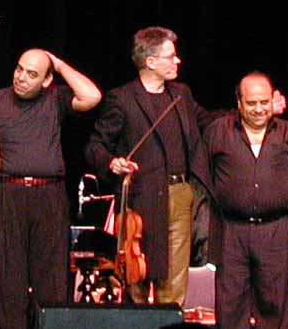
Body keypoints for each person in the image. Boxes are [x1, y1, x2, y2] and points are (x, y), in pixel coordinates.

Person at [0, 48, 101, 329]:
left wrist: (57, 63)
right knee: (6, 283)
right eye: (19, 69)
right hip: (5, 194)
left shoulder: (55, 99)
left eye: (32, 74)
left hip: (49, 196)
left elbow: (92, 96)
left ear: (47, 80)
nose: (21, 77)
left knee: (52, 281)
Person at [193, 72, 288, 329]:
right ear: (239, 103)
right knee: (230, 307)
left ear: (273, 100)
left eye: (264, 102)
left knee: (274, 307)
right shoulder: (218, 132)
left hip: (275, 230)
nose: (259, 109)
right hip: (231, 231)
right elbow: (200, 178)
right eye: (252, 103)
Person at [84, 26, 215, 306]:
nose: (177, 60)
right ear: (150, 61)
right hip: (140, 198)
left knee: (174, 277)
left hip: (179, 194)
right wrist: (112, 162)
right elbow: (95, 146)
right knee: (138, 274)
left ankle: (171, 323)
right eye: (170, 56)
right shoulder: (122, 99)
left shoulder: (181, 94)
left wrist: (242, 116)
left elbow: (210, 123)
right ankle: (139, 328)